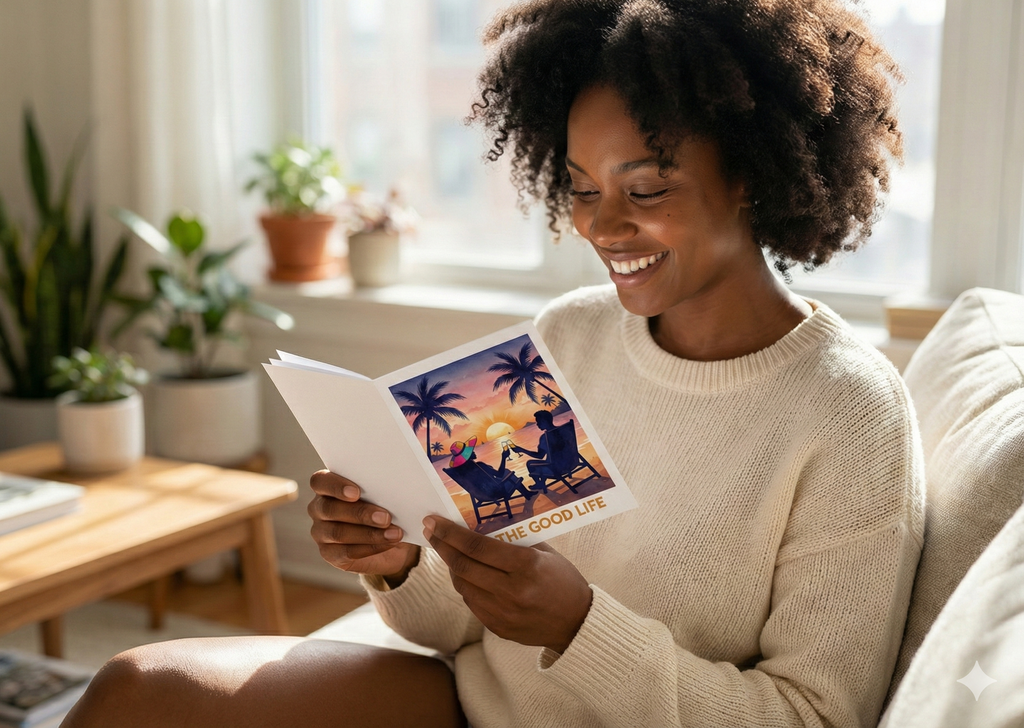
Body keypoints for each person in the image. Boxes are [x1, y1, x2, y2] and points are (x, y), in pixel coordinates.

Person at [63, 2, 924, 727]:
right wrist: (397, 560)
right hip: (470, 705)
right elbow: (451, 626)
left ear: (753, 175)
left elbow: (813, 716)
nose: (600, 225)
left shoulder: (848, 414)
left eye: (646, 189)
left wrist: (580, 627)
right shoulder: (568, 336)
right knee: (135, 691)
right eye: (583, 188)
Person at [510, 410, 562, 492]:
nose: (537, 424)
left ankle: (539, 483)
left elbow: (539, 456)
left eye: (538, 422)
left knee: (530, 463)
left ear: (544, 421)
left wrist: (522, 450)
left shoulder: (545, 438)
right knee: (546, 461)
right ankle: (541, 482)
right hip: (570, 461)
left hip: (557, 469)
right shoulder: (564, 429)